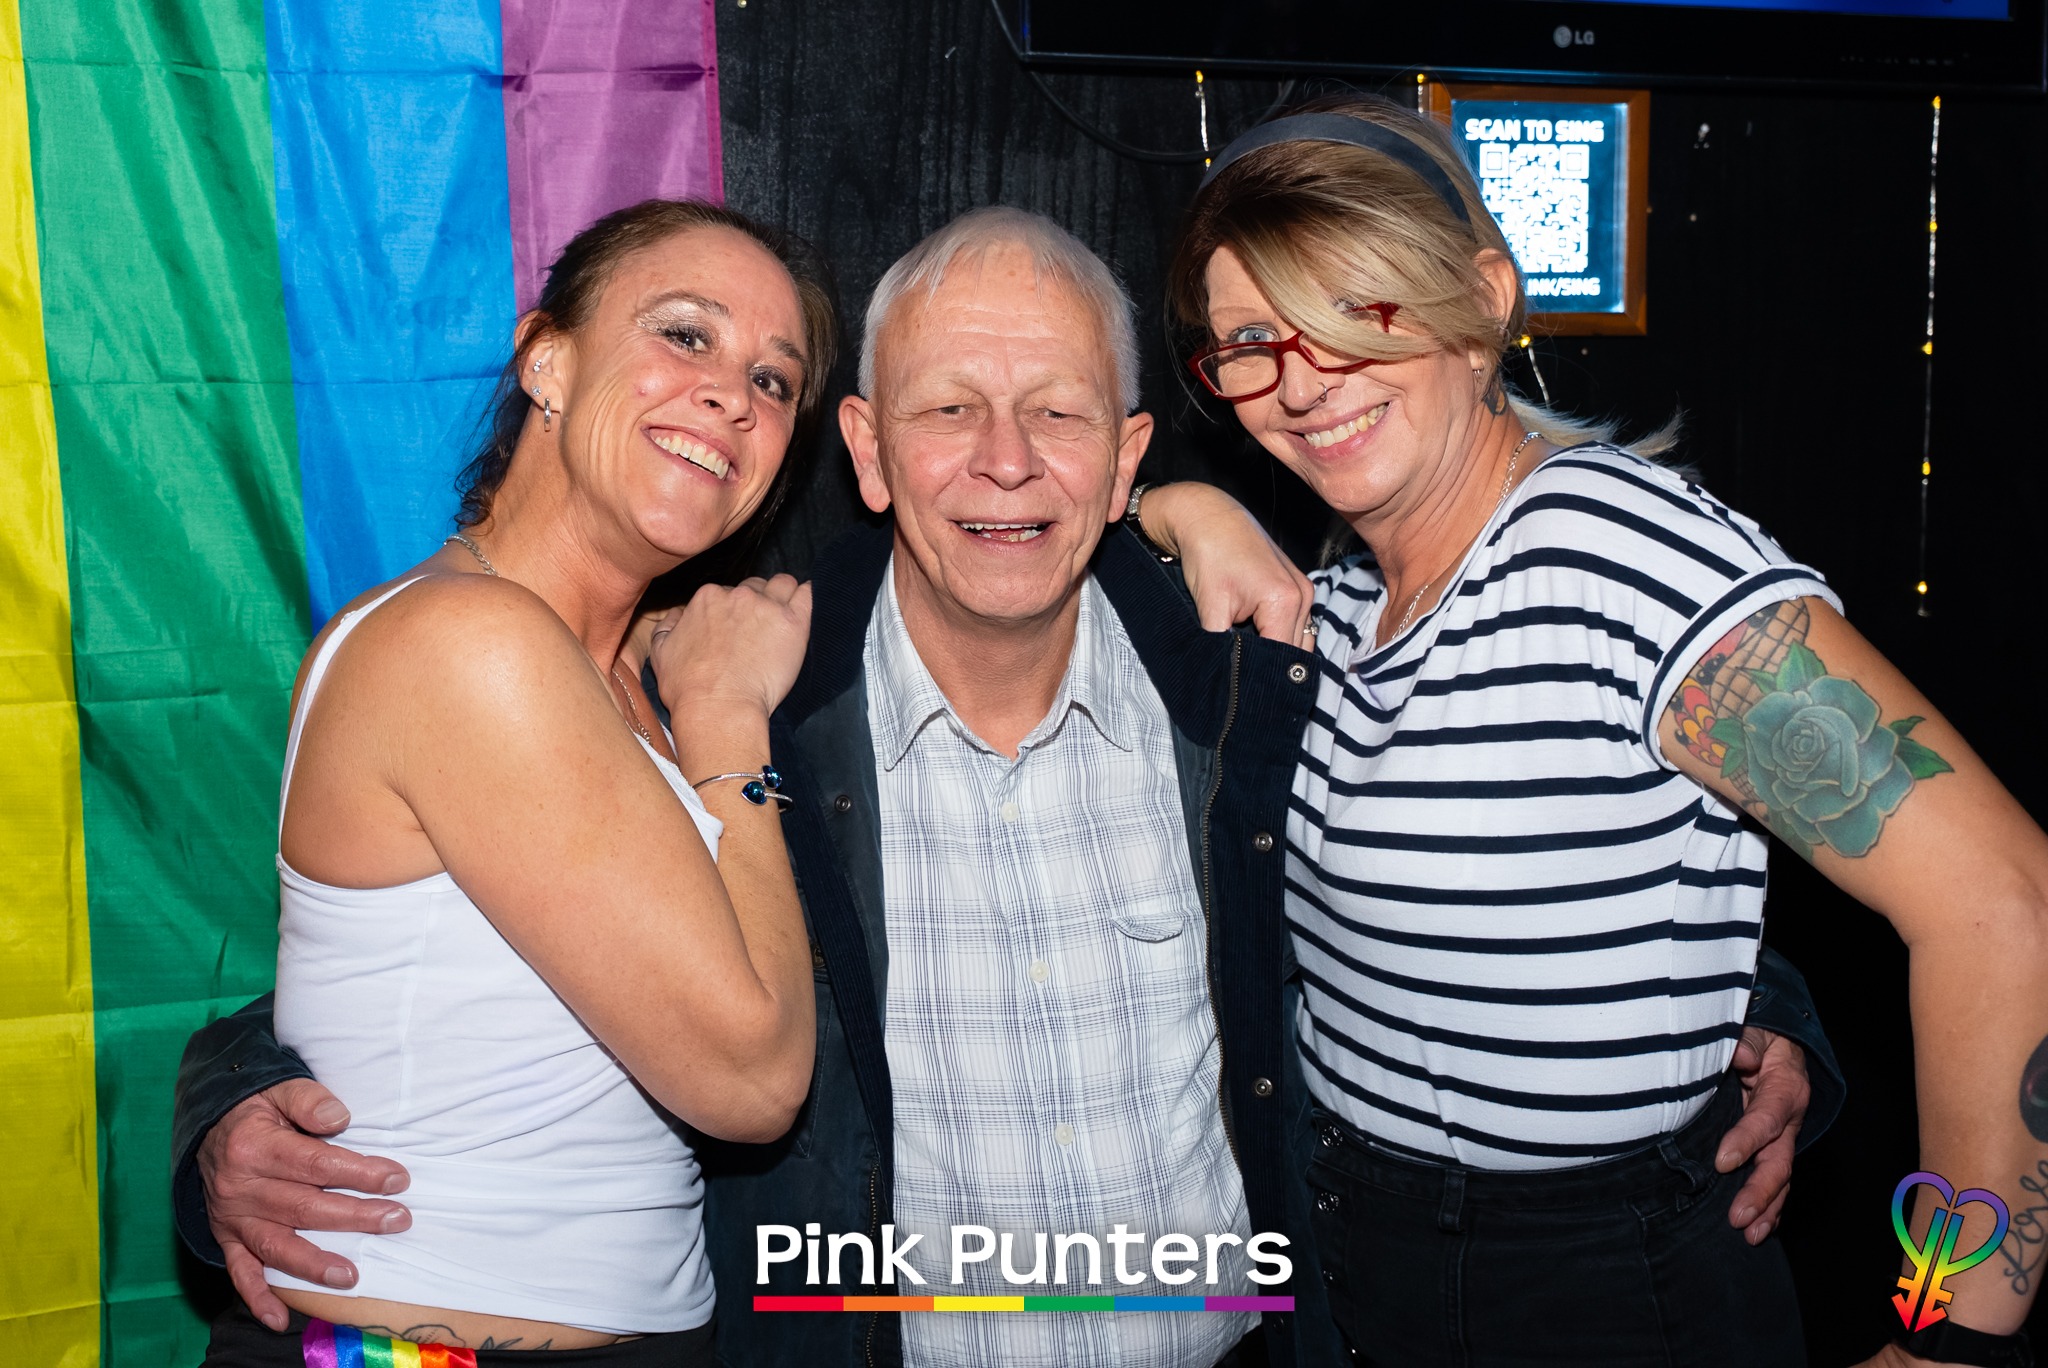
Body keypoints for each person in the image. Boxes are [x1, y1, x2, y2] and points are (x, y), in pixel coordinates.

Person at [174, 208, 1831, 1368]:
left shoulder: (1252, 671)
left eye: (1057, 416)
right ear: (865, 450)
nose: (1006, 460)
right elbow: (455, 942)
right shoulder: (740, 691)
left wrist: (1749, 1012)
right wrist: (238, 1104)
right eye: (949, 411)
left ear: (1127, 460)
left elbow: (1484, 843)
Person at [1134, 95, 2048, 1367]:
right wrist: (1175, 505)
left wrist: (1947, 1336)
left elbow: (1999, 904)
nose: (1299, 381)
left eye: (1355, 309)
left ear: (1482, 302)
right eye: (1248, 341)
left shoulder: (1614, 555)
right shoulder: (1328, 598)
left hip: (1592, 1291)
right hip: (1350, 1256)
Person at [193, 198, 837, 1365]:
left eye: (773, 380)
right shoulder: (470, 644)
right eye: (684, 334)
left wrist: (1162, 512)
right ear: (547, 361)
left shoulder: (633, 670)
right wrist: (726, 725)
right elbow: (751, 1080)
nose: (732, 395)